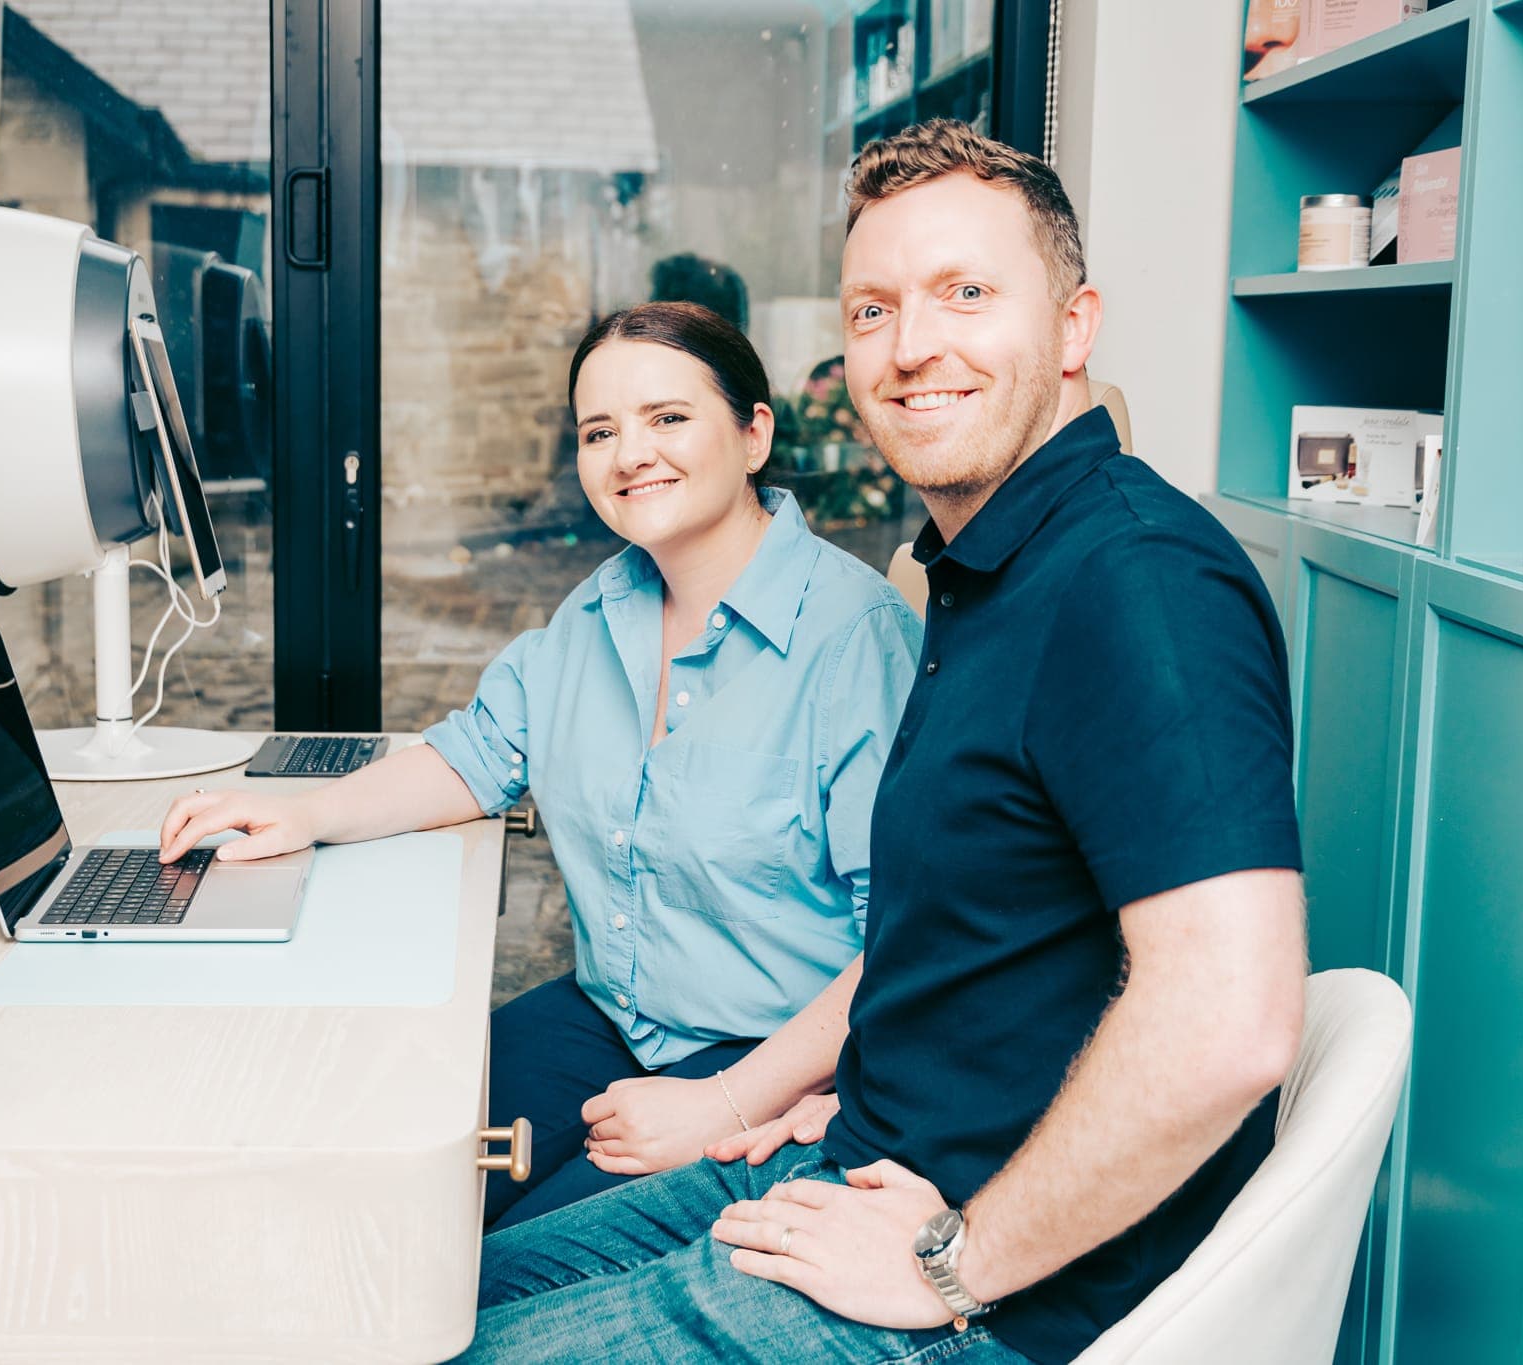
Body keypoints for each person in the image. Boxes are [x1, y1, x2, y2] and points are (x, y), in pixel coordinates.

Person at [459, 119, 1307, 1365]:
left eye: (966, 294)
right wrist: (795, 1096)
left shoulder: (1134, 581)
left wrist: (956, 1264)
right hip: (853, 1161)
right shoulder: (985, 574)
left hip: (989, 1283)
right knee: (417, 1295)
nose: (912, 349)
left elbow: (1229, 1023)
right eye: (871, 311)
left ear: (1073, 328)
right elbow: (965, 938)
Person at [160, 300, 922, 1231]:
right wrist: (304, 814)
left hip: (784, 1059)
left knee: (478, 1274)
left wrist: (729, 1100)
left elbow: (909, 937)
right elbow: (477, 756)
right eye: (600, 431)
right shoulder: (598, 612)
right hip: (613, 1016)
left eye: (668, 417)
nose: (630, 453)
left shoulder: (856, 639)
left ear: (754, 432)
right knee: (366, 1172)